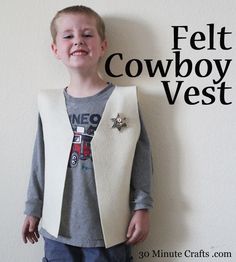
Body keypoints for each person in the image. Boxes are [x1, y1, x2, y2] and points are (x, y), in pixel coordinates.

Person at [22, 5, 153, 262]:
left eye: (87, 34)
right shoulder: (48, 104)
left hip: (109, 233)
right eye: (68, 36)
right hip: (57, 231)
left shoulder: (124, 100)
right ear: (55, 49)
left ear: (103, 45)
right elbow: (40, 161)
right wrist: (33, 208)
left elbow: (141, 159)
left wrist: (142, 207)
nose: (78, 40)